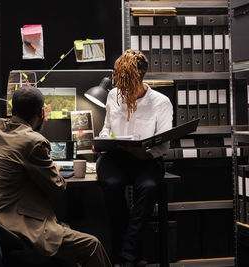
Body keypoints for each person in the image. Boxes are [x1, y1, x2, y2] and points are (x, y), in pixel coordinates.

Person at [0, 87, 112, 267]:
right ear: (41, 112)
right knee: (92, 245)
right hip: (15, 225)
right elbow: (57, 187)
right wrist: (53, 167)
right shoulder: (34, 142)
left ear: (13, 109)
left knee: (65, 228)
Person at [95, 50, 173, 267]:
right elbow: (108, 128)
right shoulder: (113, 95)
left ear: (138, 78)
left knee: (148, 188)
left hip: (147, 157)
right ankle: (130, 256)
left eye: (124, 81)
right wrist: (102, 140)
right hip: (117, 156)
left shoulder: (161, 102)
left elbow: (164, 144)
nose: (119, 87)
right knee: (111, 185)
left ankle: (125, 256)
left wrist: (146, 153)